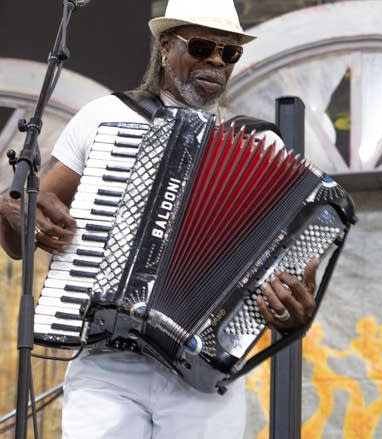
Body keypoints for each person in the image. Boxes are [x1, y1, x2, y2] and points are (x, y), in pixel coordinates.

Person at [0, 0, 318, 437]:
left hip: (203, 376)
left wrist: (292, 310)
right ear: (166, 47)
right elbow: (20, 236)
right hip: (106, 367)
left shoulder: (262, 145)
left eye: (229, 53)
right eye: (202, 46)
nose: (215, 61)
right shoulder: (104, 118)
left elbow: (279, 277)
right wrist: (13, 209)